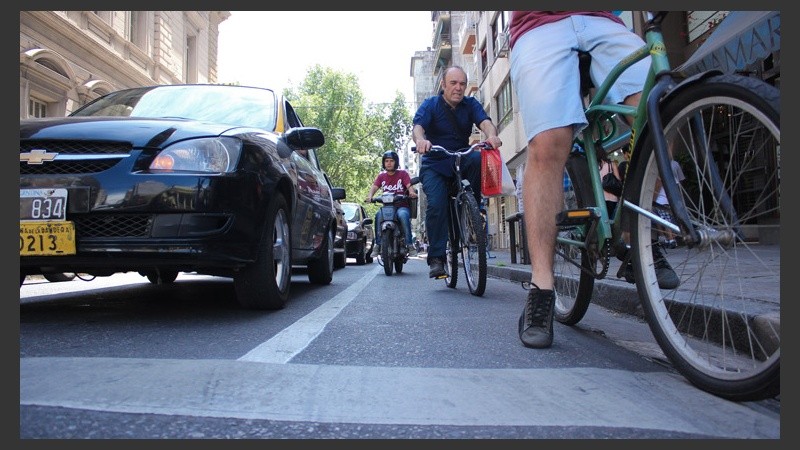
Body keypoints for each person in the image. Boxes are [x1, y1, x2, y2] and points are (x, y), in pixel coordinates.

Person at [508, 11, 679, 349]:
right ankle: (541, 287)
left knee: (661, 113)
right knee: (550, 141)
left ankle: (634, 233)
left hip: (604, 18)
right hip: (539, 23)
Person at [412, 65, 502, 278]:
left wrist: (491, 135)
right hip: (435, 163)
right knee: (436, 204)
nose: (458, 88)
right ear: (443, 85)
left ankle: (472, 207)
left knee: (478, 157)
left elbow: (486, 123)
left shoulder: (470, 104)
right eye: (453, 83)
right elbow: (418, 127)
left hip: (460, 159)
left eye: (462, 83)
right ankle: (436, 258)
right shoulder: (431, 105)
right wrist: (421, 140)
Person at [365, 151, 418, 258]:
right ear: (383, 163)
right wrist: (369, 196)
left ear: (396, 162)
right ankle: (378, 245)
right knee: (378, 216)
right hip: (387, 208)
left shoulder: (403, 174)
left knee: (403, 215)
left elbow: (409, 185)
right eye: (386, 161)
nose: (389, 163)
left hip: (401, 206)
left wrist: (411, 192)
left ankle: (409, 244)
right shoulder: (381, 176)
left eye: (391, 161)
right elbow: (374, 187)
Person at [653, 159, 685, 248]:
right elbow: (680, 182)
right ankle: (672, 237)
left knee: (664, 220)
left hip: (661, 199)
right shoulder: (675, 164)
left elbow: (658, 186)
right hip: (672, 199)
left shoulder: (658, 168)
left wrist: (653, 199)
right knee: (671, 218)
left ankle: (670, 239)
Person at [599, 152, 621, 217]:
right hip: (613, 198)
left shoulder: (595, 166)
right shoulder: (612, 164)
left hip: (600, 198)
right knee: (611, 217)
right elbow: (618, 179)